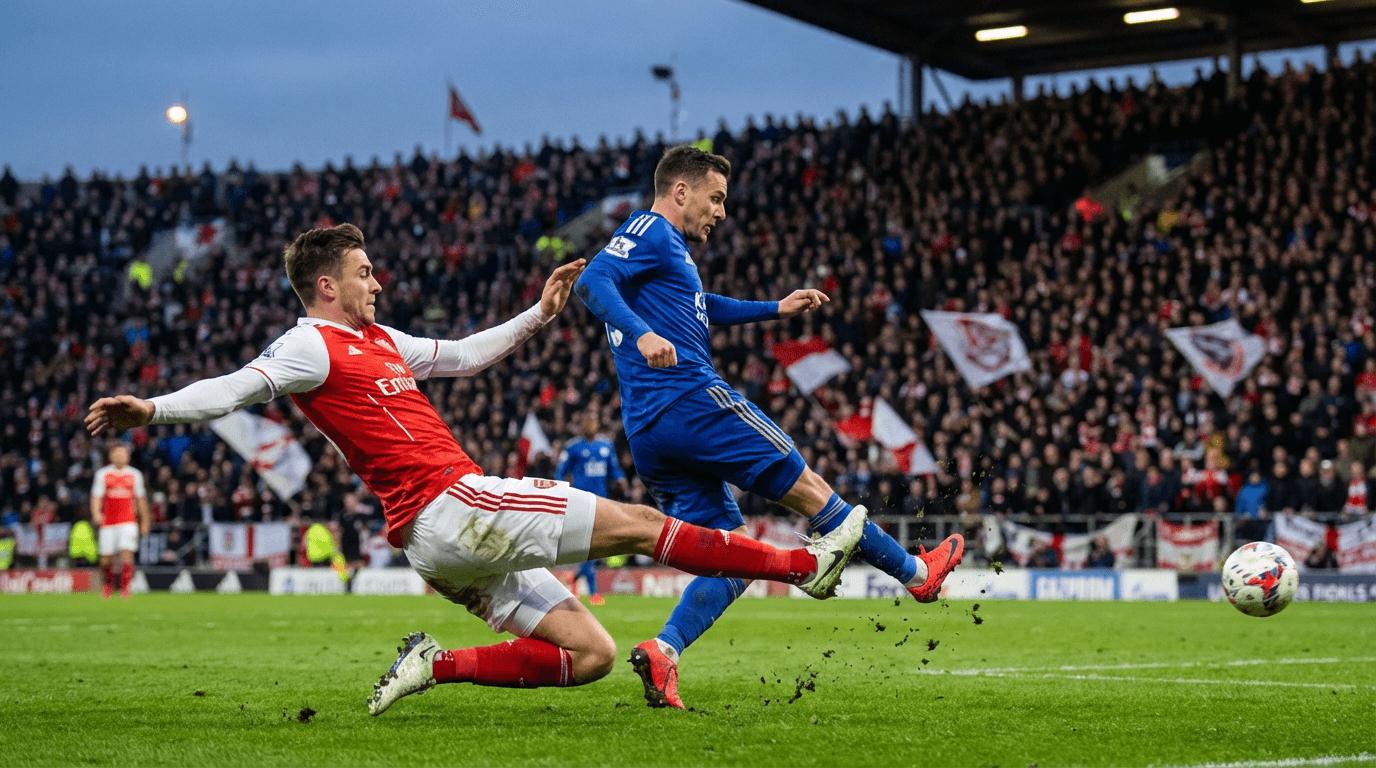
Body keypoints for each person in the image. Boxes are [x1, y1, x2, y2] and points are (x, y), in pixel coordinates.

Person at [85, 223, 865, 716]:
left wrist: (540, 314)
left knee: (591, 656)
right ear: (328, 285)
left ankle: (436, 664)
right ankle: (805, 565)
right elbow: (234, 389)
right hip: (452, 505)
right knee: (641, 524)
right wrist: (153, 409)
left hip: (434, 543)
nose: (376, 282)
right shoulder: (308, 344)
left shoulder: (379, 341)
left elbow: (461, 355)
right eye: (364, 272)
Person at [574, 145, 963, 709]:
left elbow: (702, 305)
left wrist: (774, 309)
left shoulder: (667, 255)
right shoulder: (651, 230)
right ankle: (914, 573)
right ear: (680, 190)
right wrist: (643, 333)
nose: (721, 211)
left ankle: (665, 650)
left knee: (733, 551)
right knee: (810, 489)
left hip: (647, 431)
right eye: (715, 198)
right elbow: (592, 280)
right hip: (691, 401)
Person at [554, 412, 628, 606]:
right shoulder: (573, 447)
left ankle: (575, 578)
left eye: (593, 421)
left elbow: (613, 468)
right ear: (581, 425)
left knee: (595, 546)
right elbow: (560, 471)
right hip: (580, 503)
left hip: (601, 502)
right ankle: (594, 592)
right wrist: (561, 490)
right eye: (587, 421)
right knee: (592, 545)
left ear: (598, 424)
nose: (590, 425)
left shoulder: (606, 445)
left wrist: (620, 478)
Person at [90, 444, 150, 600]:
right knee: (106, 559)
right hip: (108, 522)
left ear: (128, 456)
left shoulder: (135, 474)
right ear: (111, 456)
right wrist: (96, 513)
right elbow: (96, 496)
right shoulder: (103, 474)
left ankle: (125, 588)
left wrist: (145, 521)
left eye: (123, 454)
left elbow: (141, 499)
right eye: (117, 453)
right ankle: (108, 585)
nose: (120, 456)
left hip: (128, 521)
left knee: (127, 554)